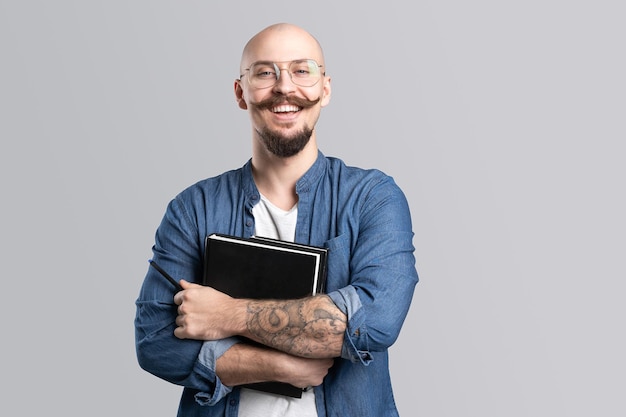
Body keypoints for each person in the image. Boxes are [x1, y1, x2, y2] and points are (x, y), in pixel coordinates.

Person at [134, 22, 419, 417]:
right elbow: (155, 341)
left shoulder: (373, 197)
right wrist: (282, 366)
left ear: (326, 89)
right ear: (241, 92)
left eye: (302, 70)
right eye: (265, 72)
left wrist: (226, 315)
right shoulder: (193, 208)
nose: (285, 87)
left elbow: (374, 321)